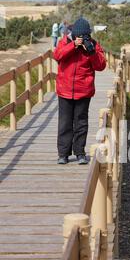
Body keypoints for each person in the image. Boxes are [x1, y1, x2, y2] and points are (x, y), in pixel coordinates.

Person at [53, 17, 106, 165]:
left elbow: (101, 66)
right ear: (74, 34)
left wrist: (91, 52)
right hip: (65, 90)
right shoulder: (65, 41)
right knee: (65, 123)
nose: (81, 38)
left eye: (84, 36)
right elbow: (57, 55)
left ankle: (80, 153)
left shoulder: (93, 45)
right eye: (79, 36)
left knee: (81, 123)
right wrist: (73, 46)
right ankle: (63, 154)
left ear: (88, 34)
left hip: (84, 91)